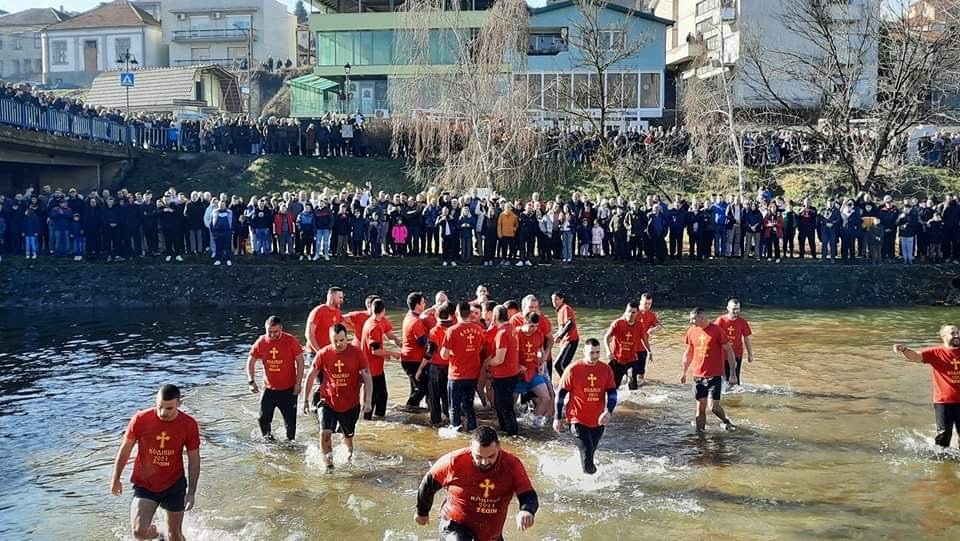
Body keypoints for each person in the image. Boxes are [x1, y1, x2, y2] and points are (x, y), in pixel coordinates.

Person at [110, 384, 200, 541]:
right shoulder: (140, 419)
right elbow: (125, 450)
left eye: (169, 408)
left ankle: (173, 534)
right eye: (160, 407)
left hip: (174, 484)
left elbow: (194, 459)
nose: (163, 413)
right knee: (139, 532)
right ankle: (161, 532)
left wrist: (191, 492)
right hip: (145, 484)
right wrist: (115, 479)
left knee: (176, 537)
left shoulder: (189, 424)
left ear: (179, 403)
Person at [415, 426, 538, 540]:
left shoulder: (512, 464)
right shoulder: (454, 461)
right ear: (471, 447)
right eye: (478, 457)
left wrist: (527, 510)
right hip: (454, 526)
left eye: (491, 456)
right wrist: (422, 512)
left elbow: (527, 493)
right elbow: (428, 484)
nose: (484, 462)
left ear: (498, 447)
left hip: (490, 534)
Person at [302, 324, 373, 470]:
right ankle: (329, 467)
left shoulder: (357, 353)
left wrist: (368, 401)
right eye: (335, 341)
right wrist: (305, 400)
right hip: (328, 400)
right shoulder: (323, 353)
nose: (339, 344)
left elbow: (367, 377)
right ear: (330, 340)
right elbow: (311, 375)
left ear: (347, 338)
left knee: (347, 439)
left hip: (350, 403)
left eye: (342, 340)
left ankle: (348, 464)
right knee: (325, 433)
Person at [554, 338, 617, 474]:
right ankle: (592, 482)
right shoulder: (573, 369)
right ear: (584, 351)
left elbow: (612, 393)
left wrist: (609, 411)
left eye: (597, 352)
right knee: (588, 457)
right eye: (591, 353)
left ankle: (584, 477)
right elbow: (560, 394)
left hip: (598, 420)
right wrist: (557, 418)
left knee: (590, 453)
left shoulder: (605, 369)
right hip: (577, 419)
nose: (594, 356)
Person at [893, 325, 960, 448]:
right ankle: (941, 462)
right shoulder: (935, 352)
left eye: (958, 332)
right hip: (944, 401)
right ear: (943, 336)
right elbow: (916, 357)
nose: (957, 335)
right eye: (953, 333)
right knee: (944, 434)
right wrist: (904, 349)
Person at [247, 316, 305, 441]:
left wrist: (298, 383)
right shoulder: (261, 341)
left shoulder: (290, 341)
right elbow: (250, 361)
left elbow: (300, 361)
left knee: (290, 427)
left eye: (276, 332)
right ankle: (269, 442)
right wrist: (251, 381)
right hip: (269, 389)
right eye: (270, 332)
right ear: (266, 329)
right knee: (263, 419)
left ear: (281, 329)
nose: (272, 335)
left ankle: (290, 448)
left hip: (289, 390)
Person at [680, 307, 738, 433]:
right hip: (698, 376)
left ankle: (725, 421)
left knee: (713, 407)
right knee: (700, 407)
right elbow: (689, 352)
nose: (691, 322)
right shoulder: (691, 331)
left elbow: (729, 350)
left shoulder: (717, 330)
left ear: (702, 317)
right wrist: (684, 371)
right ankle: (700, 435)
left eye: (693, 319)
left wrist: (733, 374)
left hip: (715, 375)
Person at [441, 301, 486, 431]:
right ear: (470, 314)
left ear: (456, 313)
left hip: (456, 375)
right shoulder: (478, 329)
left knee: (454, 407)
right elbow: (481, 347)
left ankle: (457, 432)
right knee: (469, 406)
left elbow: (444, 355)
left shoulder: (452, 330)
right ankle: (473, 430)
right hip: (473, 374)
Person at [360, 298, 402, 419]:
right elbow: (375, 351)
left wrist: (398, 342)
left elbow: (389, 334)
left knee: (382, 396)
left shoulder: (380, 321)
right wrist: (392, 353)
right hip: (371, 369)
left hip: (377, 368)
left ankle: (379, 419)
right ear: (384, 310)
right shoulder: (373, 327)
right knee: (373, 398)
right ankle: (369, 421)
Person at [484, 305, 521, 436]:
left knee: (505, 409)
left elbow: (499, 359)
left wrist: (487, 363)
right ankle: (507, 433)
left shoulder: (502, 333)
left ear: (495, 317)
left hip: (503, 376)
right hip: (512, 373)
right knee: (505, 407)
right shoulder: (512, 329)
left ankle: (512, 435)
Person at [515, 312, 551, 427]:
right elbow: (508, 353)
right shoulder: (516, 333)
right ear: (525, 322)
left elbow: (540, 350)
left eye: (536, 326)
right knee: (510, 405)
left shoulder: (539, 334)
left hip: (533, 371)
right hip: (517, 374)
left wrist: (542, 363)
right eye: (531, 326)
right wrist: (517, 365)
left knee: (546, 398)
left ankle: (535, 424)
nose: (534, 329)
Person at [714, 298, 754, 388]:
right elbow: (713, 337)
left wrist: (750, 354)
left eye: (738, 309)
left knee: (735, 381)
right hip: (722, 355)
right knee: (722, 379)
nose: (736, 311)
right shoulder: (721, 320)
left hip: (737, 354)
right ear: (728, 308)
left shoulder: (742, 322)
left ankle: (734, 400)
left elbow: (747, 338)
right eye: (734, 309)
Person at [401, 292, 430, 410]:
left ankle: (413, 410)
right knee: (422, 388)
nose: (425, 304)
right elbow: (422, 342)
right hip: (414, 360)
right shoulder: (416, 321)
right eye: (423, 302)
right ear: (418, 305)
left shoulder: (408, 316)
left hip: (408, 358)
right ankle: (410, 407)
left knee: (415, 387)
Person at [604, 302, 644, 390]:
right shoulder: (618, 323)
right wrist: (608, 351)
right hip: (617, 360)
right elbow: (606, 337)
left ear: (637, 313)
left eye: (633, 312)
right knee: (613, 387)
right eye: (629, 311)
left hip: (631, 359)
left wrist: (648, 351)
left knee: (633, 380)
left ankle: (633, 402)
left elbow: (644, 339)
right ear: (625, 312)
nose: (630, 314)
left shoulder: (639, 325)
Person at [305, 287, 350, 355]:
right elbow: (309, 334)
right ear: (331, 297)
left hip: (330, 352)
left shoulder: (337, 312)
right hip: (315, 353)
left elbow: (344, 326)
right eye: (340, 298)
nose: (342, 301)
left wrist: (359, 329)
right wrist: (319, 352)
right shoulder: (318, 311)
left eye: (342, 298)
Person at [551, 291, 580, 376]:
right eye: (553, 300)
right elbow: (561, 327)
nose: (554, 302)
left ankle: (567, 385)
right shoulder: (559, 310)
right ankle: (571, 383)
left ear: (562, 299)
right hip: (566, 341)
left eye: (556, 299)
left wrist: (560, 336)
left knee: (559, 365)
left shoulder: (565, 308)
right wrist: (553, 337)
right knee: (563, 365)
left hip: (571, 340)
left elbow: (570, 323)